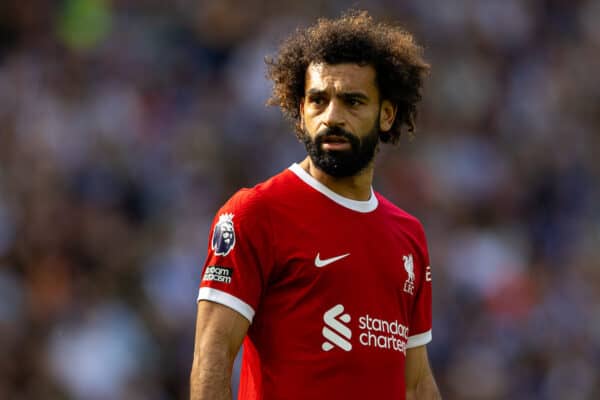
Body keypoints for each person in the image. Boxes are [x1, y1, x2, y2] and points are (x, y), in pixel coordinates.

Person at [191, 10, 441, 400]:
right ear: (301, 111)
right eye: (318, 100)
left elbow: (417, 383)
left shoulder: (408, 235)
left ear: (387, 114)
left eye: (353, 102)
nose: (332, 117)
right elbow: (213, 353)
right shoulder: (255, 212)